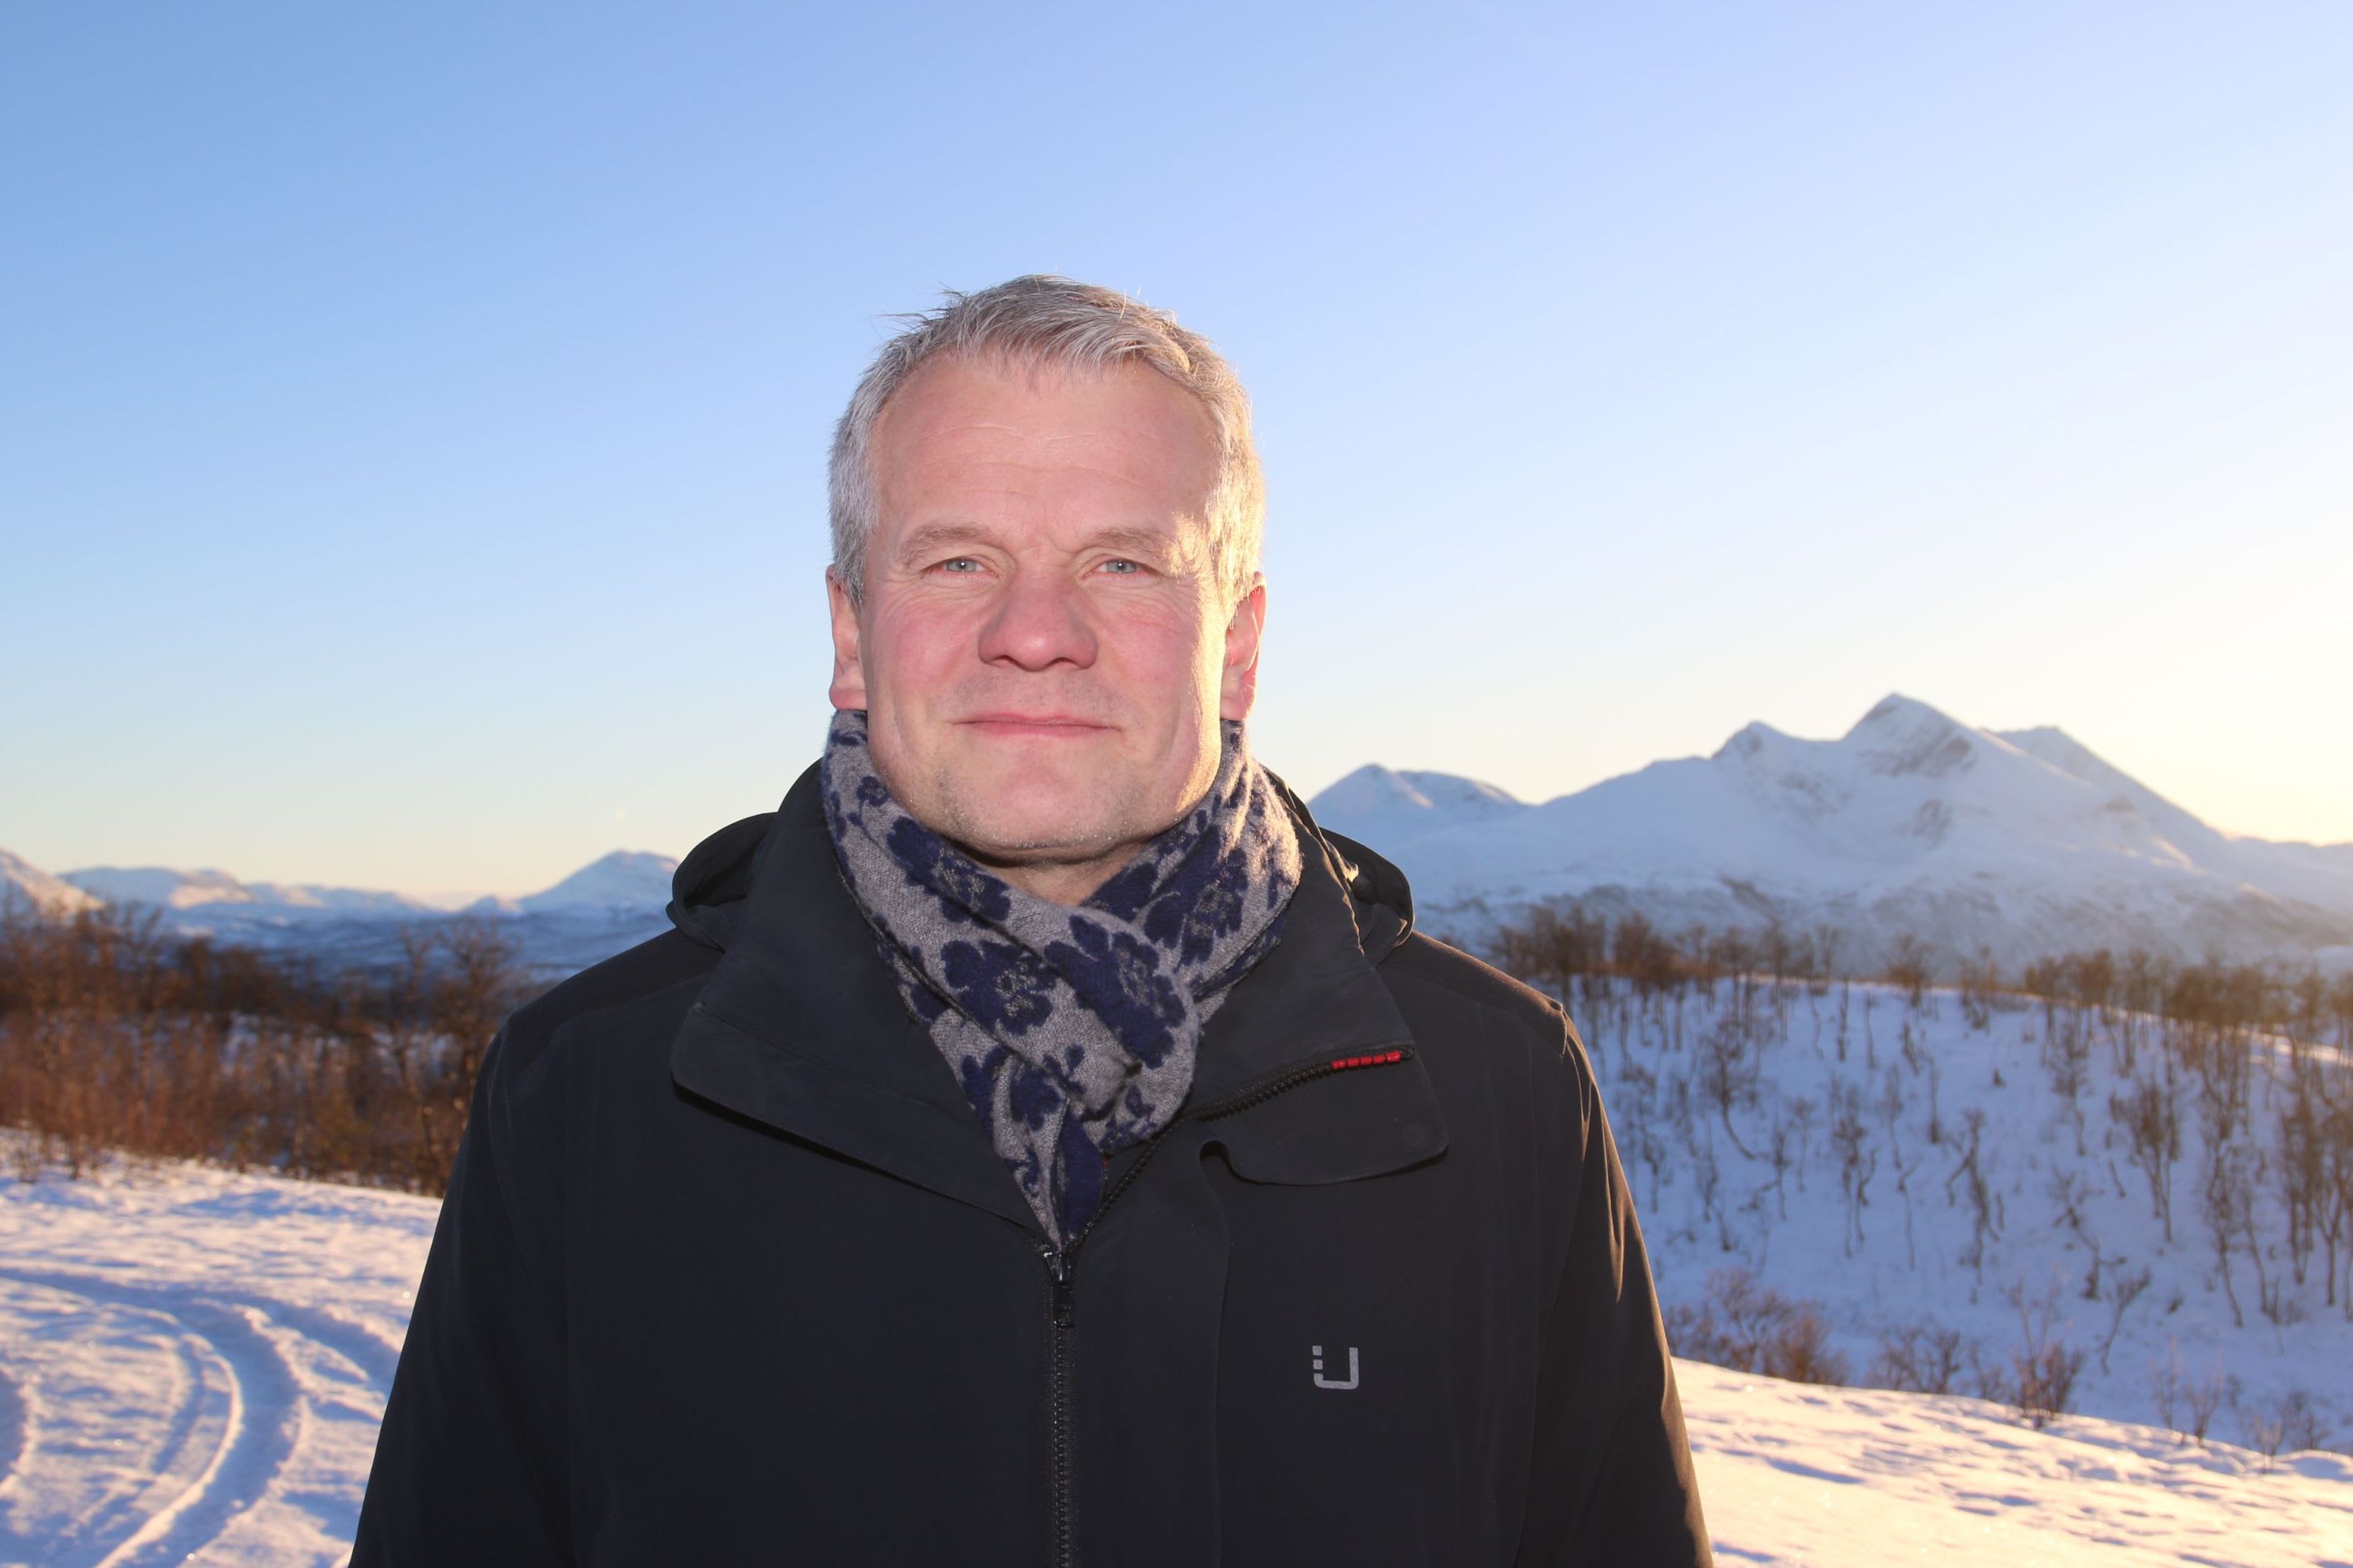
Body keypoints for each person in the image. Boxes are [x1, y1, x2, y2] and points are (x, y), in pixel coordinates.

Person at [353, 276, 1711, 1566]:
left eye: (1123, 562)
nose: (1037, 630)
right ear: (851, 632)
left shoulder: (1495, 1088)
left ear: (1236, 646)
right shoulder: (590, 1092)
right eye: (957, 559)